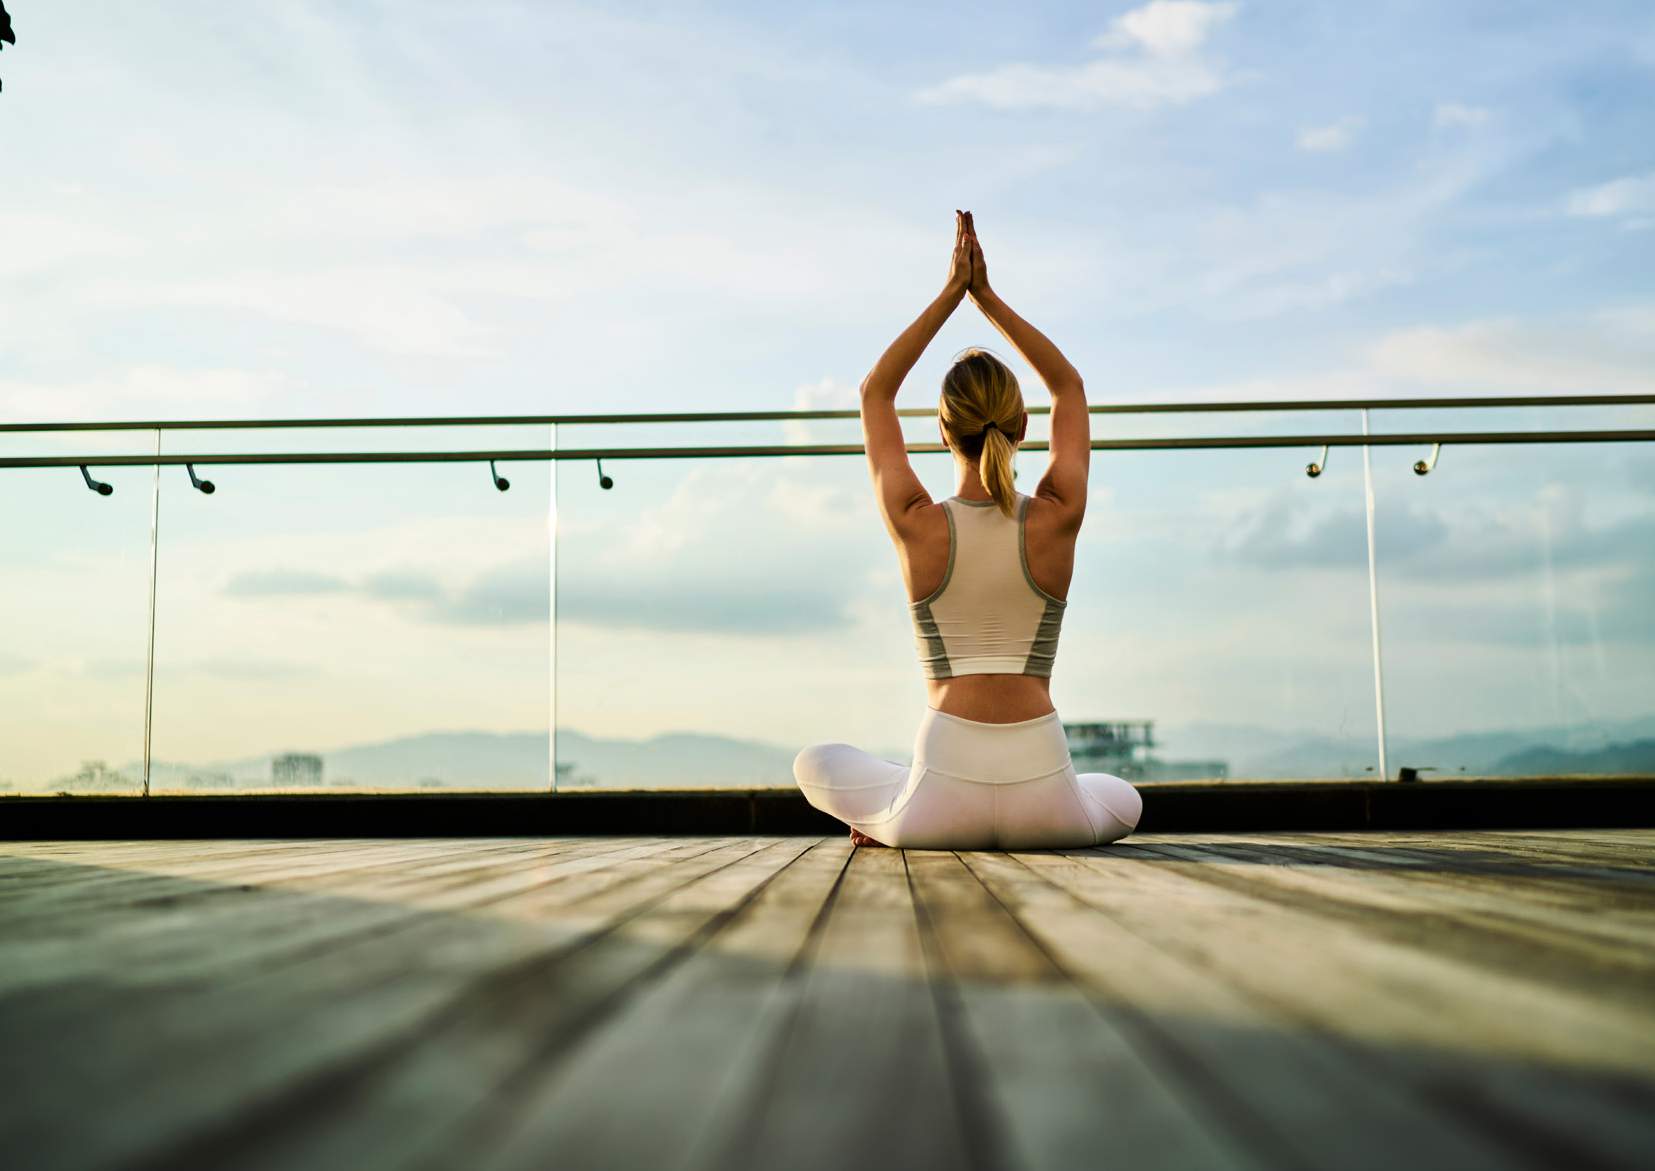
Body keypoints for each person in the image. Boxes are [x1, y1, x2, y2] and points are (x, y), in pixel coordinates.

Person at [792, 210, 1143, 850]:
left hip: (937, 805)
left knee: (814, 762)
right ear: (1022, 429)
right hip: (1047, 799)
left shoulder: (918, 525)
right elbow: (1069, 386)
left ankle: (893, 807)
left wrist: (952, 292)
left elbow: (876, 393)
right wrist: (988, 298)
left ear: (943, 432)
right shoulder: (1057, 513)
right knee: (1125, 796)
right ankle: (913, 796)